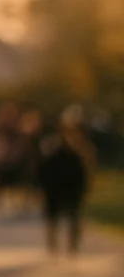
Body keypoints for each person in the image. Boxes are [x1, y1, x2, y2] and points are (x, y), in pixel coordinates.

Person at [35, 106, 95, 256]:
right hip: (54, 188)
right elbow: (43, 168)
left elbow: (86, 170)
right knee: (53, 218)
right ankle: (53, 245)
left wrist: (84, 188)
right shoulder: (51, 146)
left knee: (73, 217)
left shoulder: (81, 149)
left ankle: (72, 246)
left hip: (72, 187)